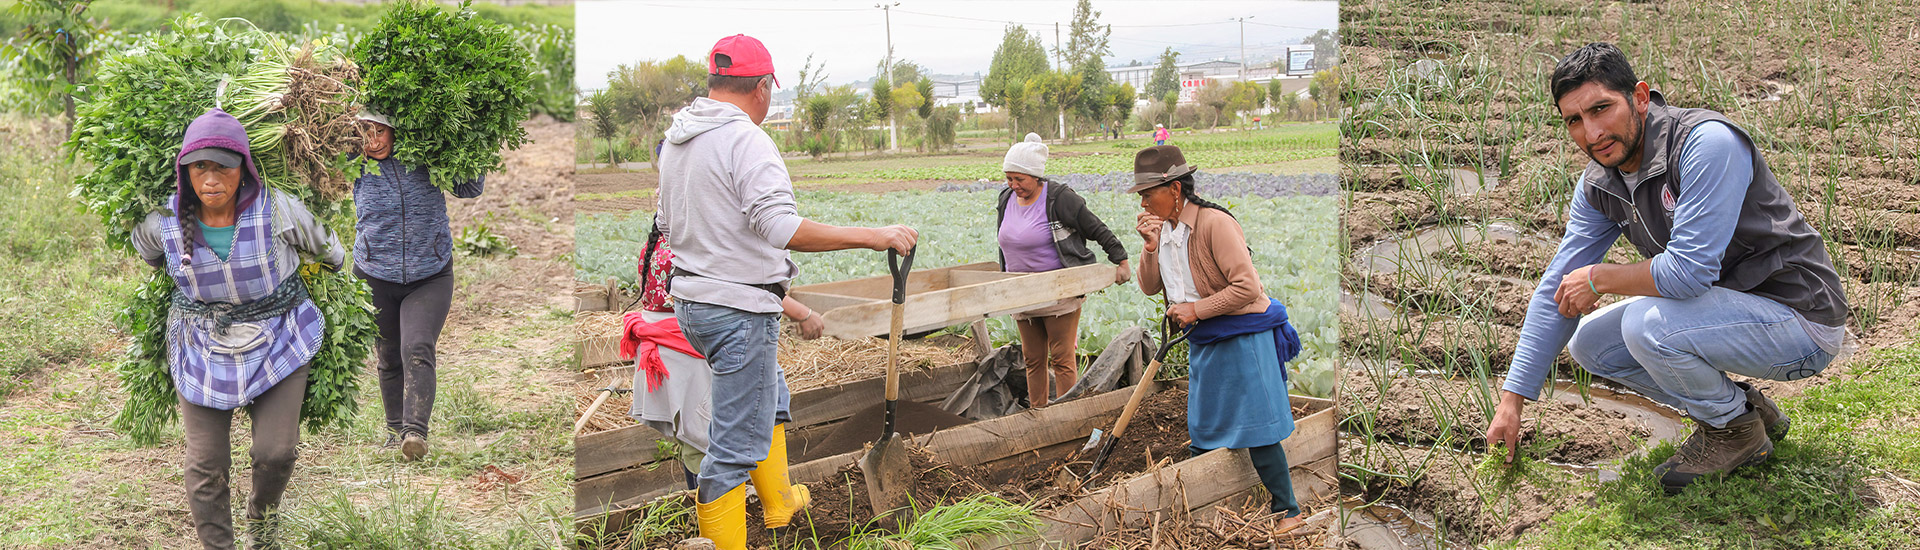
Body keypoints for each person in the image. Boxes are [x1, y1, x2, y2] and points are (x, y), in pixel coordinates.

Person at [1483, 43, 1849, 494]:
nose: (1592, 132)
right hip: (1729, 313)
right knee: (1591, 345)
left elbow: (1687, 273)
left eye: (1601, 108)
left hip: (1800, 322)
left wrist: (1601, 278)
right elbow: (1557, 288)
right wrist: (1512, 399)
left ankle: (1731, 432)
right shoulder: (1601, 184)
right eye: (1574, 120)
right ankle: (1742, 412)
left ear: (1639, 97)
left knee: (1646, 324)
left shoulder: (1706, 143)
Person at [656, 34, 918, 550]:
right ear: (760, 87)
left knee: (767, 394)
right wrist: (875, 236)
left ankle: (778, 503)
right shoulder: (746, 140)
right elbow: (779, 226)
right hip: (736, 308)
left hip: (694, 302)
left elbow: (667, 225)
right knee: (731, 448)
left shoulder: (678, 141)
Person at [131, 108, 346, 550]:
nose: (211, 179)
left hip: (281, 334)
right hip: (201, 342)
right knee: (206, 464)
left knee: (275, 452)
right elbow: (150, 253)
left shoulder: (278, 210)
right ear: (185, 171)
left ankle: (262, 526)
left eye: (222, 168)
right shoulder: (163, 223)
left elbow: (331, 251)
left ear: (243, 169)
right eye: (200, 168)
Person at [1130, 145, 1306, 533]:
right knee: (1204, 427)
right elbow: (1148, 286)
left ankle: (1289, 511)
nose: (1142, 201)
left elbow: (1247, 287)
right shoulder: (1168, 230)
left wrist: (1195, 309)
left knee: (1258, 427)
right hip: (1205, 339)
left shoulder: (1213, 224)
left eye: (1147, 193)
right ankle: (1198, 511)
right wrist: (1149, 247)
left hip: (1242, 335)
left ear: (1174, 189)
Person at [624, 216, 826, 491]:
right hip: (689, 352)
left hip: (669, 347)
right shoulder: (692, 248)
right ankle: (752, 506)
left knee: (701, 439)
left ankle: (741, 505)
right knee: (723, 435)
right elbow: (743, 286)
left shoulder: (663, 241)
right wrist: (804, 313)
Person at [350, 109, 485, 461]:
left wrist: (469, 137)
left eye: (381, 130)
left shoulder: (425, 152)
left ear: (398, 129)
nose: (373, 140)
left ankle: (415, 433)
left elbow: (470, 188)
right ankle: (395, 431)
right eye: (366, 131)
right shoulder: (353, 160)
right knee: (389, 355)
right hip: (374, 272)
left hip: (431, 272)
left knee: (418, 345)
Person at [995, 133, 1131, 409]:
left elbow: (1096, 229)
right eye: (1009, 178)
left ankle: (1068, 413)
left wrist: (1121, 260)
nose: (1013, 185)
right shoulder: (1006, 198)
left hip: (1060, 293)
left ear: (1035, 176)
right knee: (1033, 359)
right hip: (1022, 294)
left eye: (1019, 179)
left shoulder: (1060, 199)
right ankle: (1039, 413)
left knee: (1062, 358)